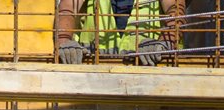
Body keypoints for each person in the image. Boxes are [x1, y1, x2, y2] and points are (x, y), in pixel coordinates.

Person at [54, 0, 184, 65]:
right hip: (94, 70)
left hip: (150, 70)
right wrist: (64, 43)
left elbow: (176, 13)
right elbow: (67, 8)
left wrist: (163, 45)